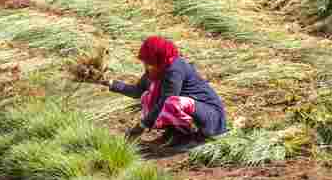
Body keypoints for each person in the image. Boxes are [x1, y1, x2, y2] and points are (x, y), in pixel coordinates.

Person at [89, 36, 228, 150]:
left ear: (158, 58)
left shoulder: (175, 70)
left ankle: (193, 137)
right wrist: (107, 82)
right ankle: (174, 134)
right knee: (147, 97)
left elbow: (165, 102)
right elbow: (137, 91)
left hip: (210, 117)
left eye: (148, 62)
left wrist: (141, 126)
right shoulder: (157, 70)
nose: (145, 66)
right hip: (192, 111)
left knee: (172, 102)